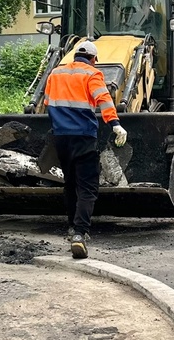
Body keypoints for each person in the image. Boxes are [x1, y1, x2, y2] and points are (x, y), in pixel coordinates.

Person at [42, 40, 127, 259]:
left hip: (61, 137)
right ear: (93, 59)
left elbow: (48, 102)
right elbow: (104, 99)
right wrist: (115, 124)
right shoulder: (92, 74)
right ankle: (80, 233)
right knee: (87, 186)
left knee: (70, 183)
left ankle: (72, 227)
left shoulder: (56, 73)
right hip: (84, 137)